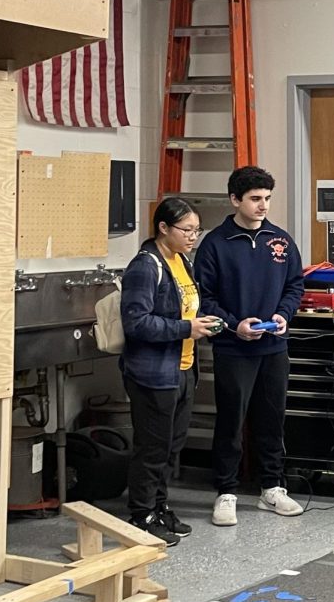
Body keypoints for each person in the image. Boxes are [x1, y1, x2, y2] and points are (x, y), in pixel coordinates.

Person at [195, 166, 306, 526]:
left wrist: (283, 314)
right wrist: (233, 325)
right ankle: (225, 491)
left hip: (273, 346)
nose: (263, 206)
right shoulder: (215, 244)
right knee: (230, 421)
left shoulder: (281, 240)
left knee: (272, 419)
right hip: (233, 347)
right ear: (235, 200)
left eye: (267, 199)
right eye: (255, 199)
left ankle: (272, 488)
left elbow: (294, 286)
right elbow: (204, 298)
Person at [121, 198, 223, 545]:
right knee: (152, 447)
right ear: (163, 228)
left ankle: (160, 506)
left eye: (197, 230)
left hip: (183, 370)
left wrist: (207, 323)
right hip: (152, 374)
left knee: (171, 446)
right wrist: (185, 329)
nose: (193, 237)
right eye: (187, 230)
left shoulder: (181, 261)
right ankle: (141, 513)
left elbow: (189, 309)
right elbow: (136, 323)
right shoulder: (145, 266)